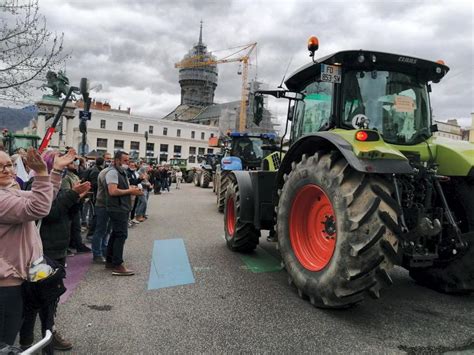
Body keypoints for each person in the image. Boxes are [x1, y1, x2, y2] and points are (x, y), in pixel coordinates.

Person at [0, 148, 74, 346]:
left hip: (22, 273)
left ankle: (26, 344)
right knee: (5, 340)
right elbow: (38, 207)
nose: (7, 170)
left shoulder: (8, 191)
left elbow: (42, 198)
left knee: (18, 325)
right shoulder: (1, 198)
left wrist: (55, 172)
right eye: (0, 167)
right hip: (7, 282)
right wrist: (42, 173)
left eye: (9, 164)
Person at [19, 150, 91, 352]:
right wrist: (72, 194)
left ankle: (48, 336)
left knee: (51, 300)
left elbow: (67, 214)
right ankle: (32, 342)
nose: (66, 165)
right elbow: (49, 212)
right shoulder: (37, 184)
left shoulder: (61, 182)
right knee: (36, 302)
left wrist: (78, 198)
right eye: (60, 162)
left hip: (57, 247)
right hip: (44, 250)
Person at [104, 151, 143, 276]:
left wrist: (131, 188)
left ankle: (110, 260)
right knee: (121, 235)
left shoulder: (120, 172)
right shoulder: (112, 172)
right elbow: (113, 191)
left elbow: (120, 188)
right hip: (117, 208)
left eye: (128, 160)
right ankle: (118, 265)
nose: (128, 163)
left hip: (120, 207)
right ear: (117, 160)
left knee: (116, 234)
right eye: (125, 161)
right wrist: (130, 191)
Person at [62, 158, 91, 254]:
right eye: (71, 163)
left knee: (76, 226)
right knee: (68, 228)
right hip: (70, 204)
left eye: (75, 162)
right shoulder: (66, 177)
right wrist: (82, 193)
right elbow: (67, 193)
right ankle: (67, 247)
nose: (74, 164)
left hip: (76, 204)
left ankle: (77, 244)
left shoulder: (74, 176)